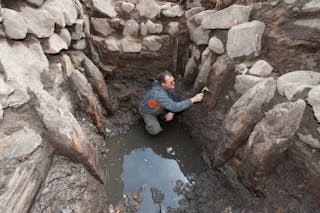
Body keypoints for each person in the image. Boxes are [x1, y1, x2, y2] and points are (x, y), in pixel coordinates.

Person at [139, 71, 204, 135]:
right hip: (149, 112)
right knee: (156, 130)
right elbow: (175, 107)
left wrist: (171, 112)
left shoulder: (168, 86)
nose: (174, 83)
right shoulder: (159, 94)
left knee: (174, 95)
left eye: (173, 80)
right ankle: (148, 124)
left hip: (159, 107)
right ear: (163, 84)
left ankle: (162, 113)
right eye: (171, 82)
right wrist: (194, 99)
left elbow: (176, 97)